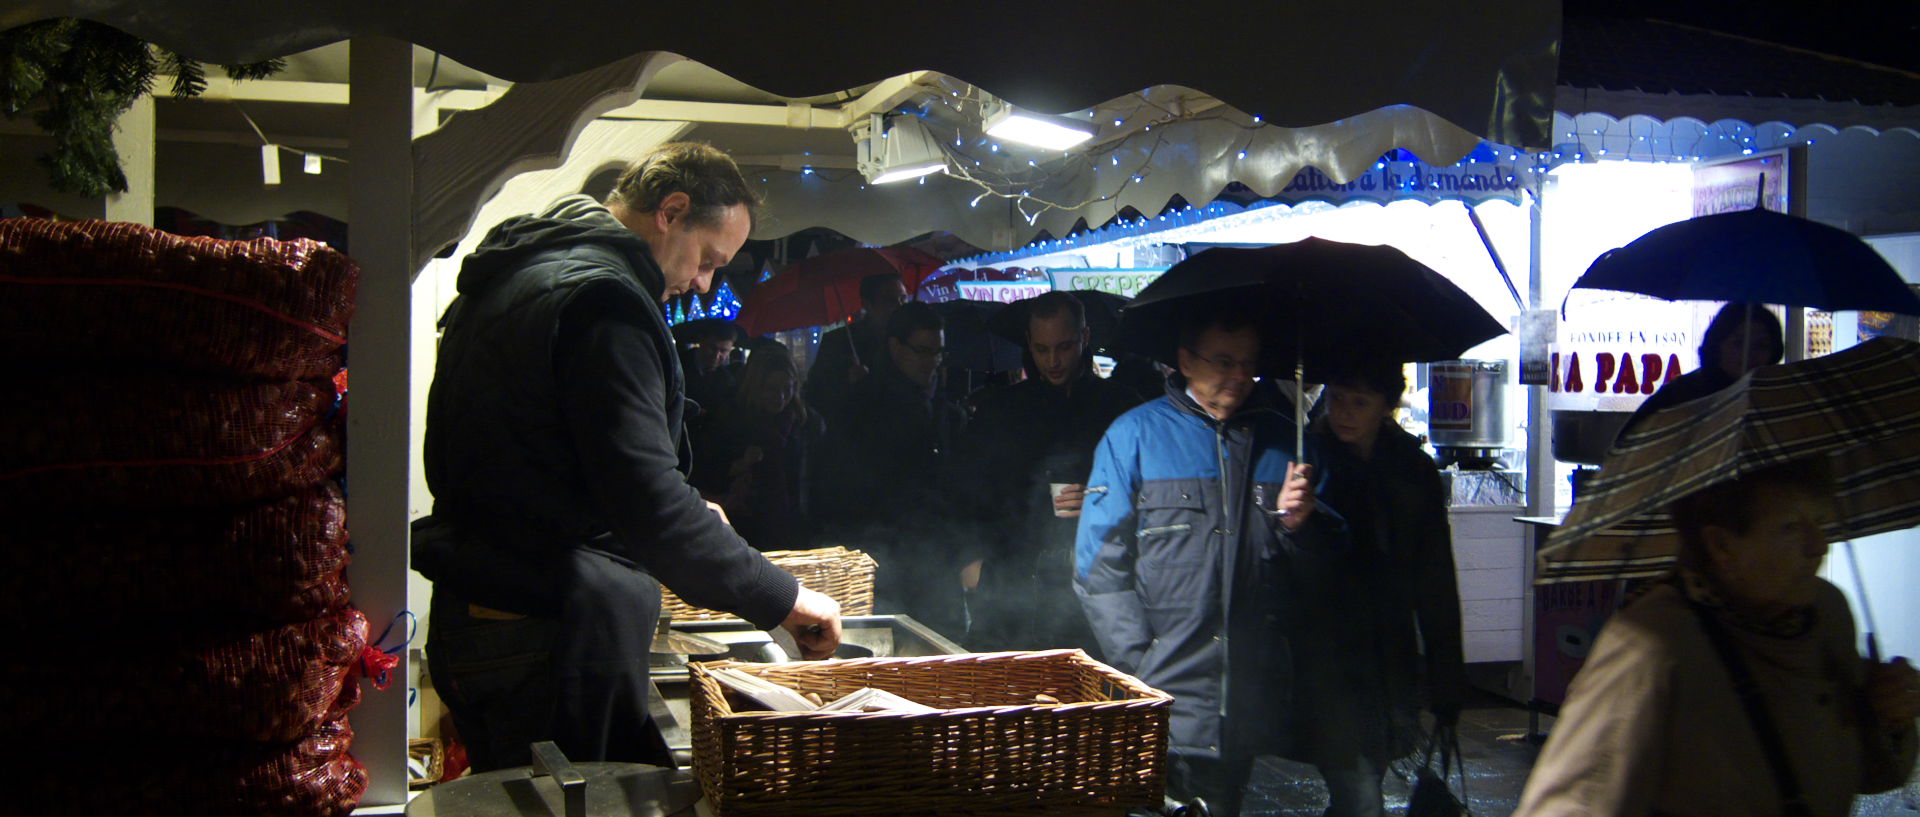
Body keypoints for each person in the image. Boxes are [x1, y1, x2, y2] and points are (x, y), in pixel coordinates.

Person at [412, 142, 842, 773]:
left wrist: (688, 507)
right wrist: (783, 596)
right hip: (543, 624)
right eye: (708, 260)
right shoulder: (604, 305)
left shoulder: (526, 274)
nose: (704, 283)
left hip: (485, 610)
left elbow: (556, 457)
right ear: (671, 211)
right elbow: (648, 502)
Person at [1512, 462, 1919, 816]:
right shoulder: (1652, 644)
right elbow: (1574, 803)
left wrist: (1889, 718)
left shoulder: (1827, 614)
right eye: (1792, 526)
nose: (1818, 545)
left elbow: (1861, 771)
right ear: (1721, 545)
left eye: (1820, 520)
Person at [1075, 307, 1346, 817]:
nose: (1240, 375)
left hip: (1246, 695)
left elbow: (1327, 576)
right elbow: (1097, 567)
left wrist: (1301, 526)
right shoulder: (1134, 436)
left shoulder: (1290, 445)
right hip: (1162, 693)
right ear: (1186, 361)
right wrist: (1140, 663)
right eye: (1224, 361)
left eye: (1248, 363)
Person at [1293, 360, 1465, 817]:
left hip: (1390, 652)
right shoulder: (1307, 460)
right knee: (1359, 791)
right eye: (1336, 399)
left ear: (1386, 407)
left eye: (1360, 402)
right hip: (1328, 652)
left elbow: (1434, 574)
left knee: (1364, 780)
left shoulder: (1412, 469)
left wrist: (1447, 675)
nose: (1344, 412)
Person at [949, 292, 1140, 653]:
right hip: (1009, 578)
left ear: (1084, 338)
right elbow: (965, 489)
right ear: (1029, 344)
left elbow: (1147, 496)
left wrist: (1103, 500)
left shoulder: (1121, 406)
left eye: (1064, 347)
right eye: (1041, 349)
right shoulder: (1000, 409)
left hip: (1091, 585)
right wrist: (968, 557)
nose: (1053, 361)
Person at [815, 301, 969, 636]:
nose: (932, 362)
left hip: (935, 562)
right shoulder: (860, 407)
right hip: (882, 562)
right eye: (922, 351)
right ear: (895, 347)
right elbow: (837, 490)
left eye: (938, 353)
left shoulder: (943, 408)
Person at [690, 340, 823, 551]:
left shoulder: (804, 423)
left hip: (792, 528)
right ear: (755, 385)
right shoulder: (730, 420)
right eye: (771, 389)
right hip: (743, 531)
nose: (780, 397)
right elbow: (705, 472)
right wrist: (742, 463)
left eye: (786, 389)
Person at [1618, 302, 1784, 440]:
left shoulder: (1773, 397)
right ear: (1717, 345)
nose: (1749, 353)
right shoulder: (1682, 395)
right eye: (1738, 343)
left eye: (1761, 346)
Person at [804, 272, 910, 425]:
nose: (899, 306)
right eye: (890, 300)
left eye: (903, 299)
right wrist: (850, 384)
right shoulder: (839, 342)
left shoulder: (909, 341)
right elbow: (817, 397)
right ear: (867, 304)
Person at [678, 320, 740, 419]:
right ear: (701, 340)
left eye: (723, 351)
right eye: (712, 348)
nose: (716, 356)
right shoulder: (677, 366)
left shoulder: (728, 380)